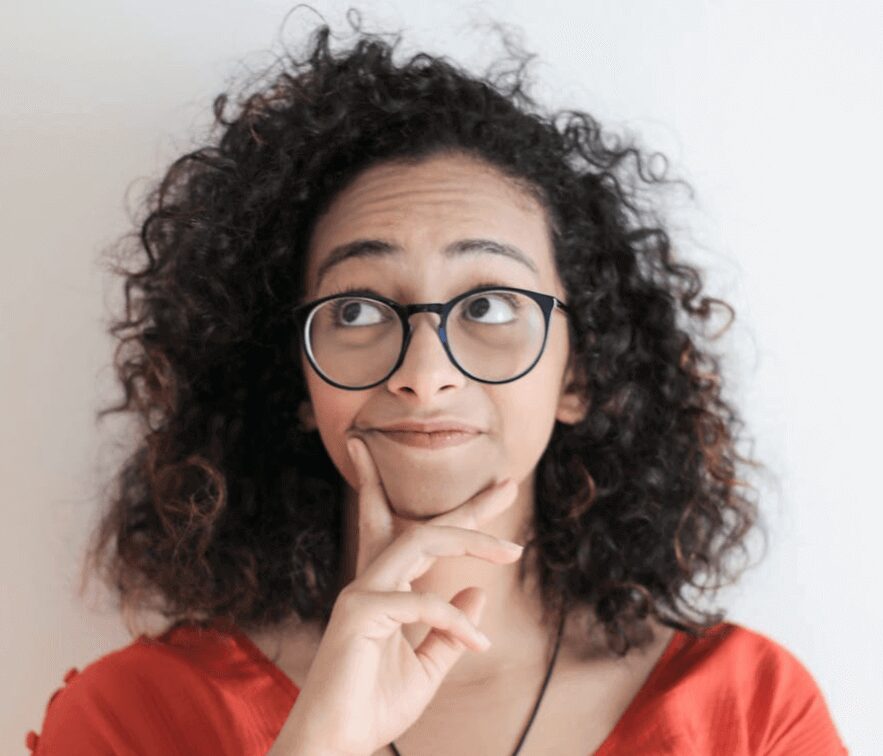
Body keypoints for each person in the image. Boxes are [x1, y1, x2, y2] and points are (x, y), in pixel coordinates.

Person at [26, 9, 848, 755]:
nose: (425, 374)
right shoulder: (134, 719)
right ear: (299, 383)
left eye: (488, 304)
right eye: (355, 311)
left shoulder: (750, 716)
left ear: (580, 372)